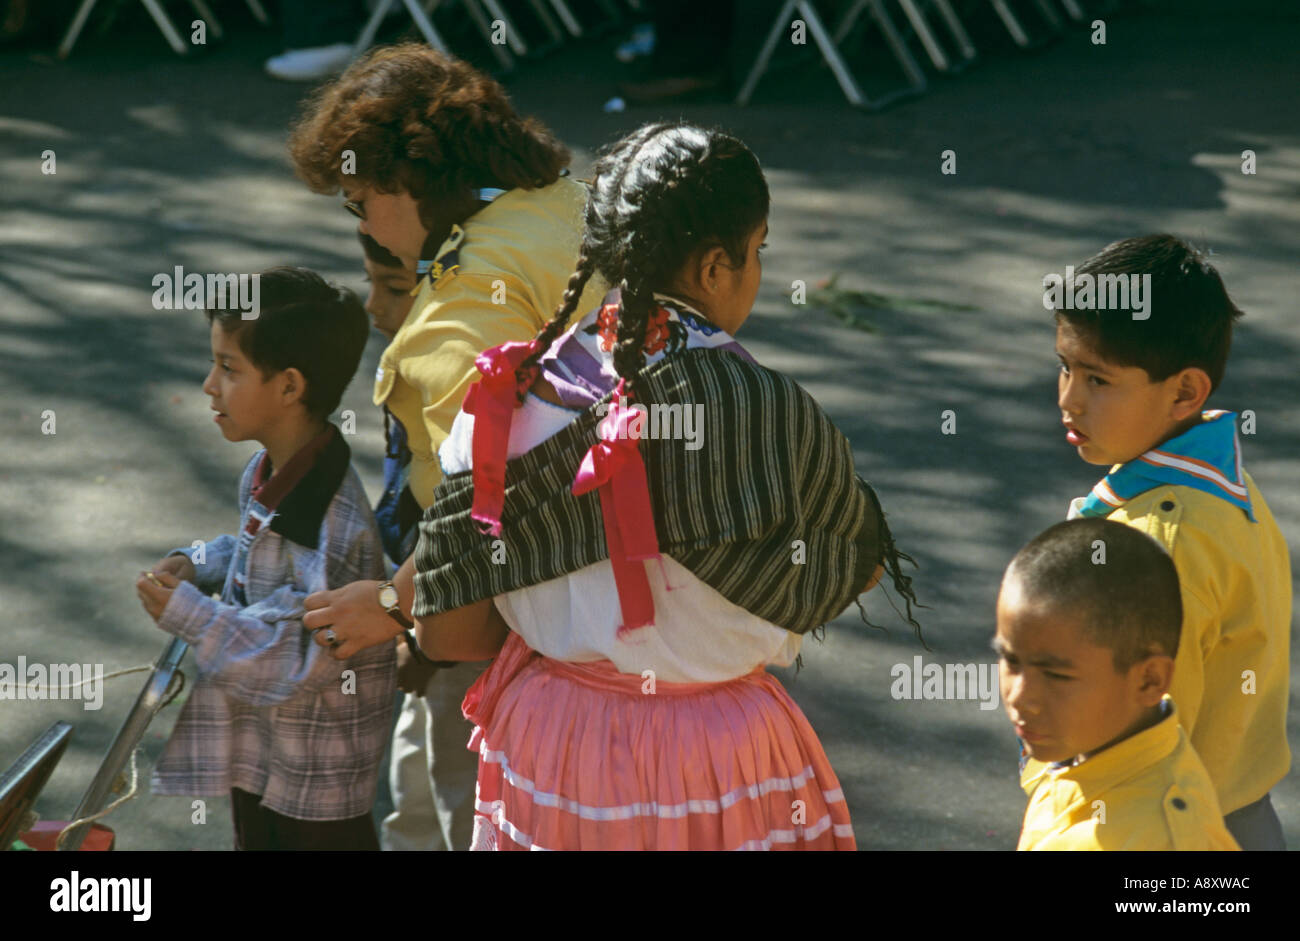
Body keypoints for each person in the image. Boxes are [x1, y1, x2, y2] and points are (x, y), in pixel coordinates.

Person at [377, 121, 920, 850]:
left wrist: (563, 600)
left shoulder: (505, 399)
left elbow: (446, 629)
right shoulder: (764, 410)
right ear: (714, 268)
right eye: (756, 253)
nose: (755, 272)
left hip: (554, 747)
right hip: (722, 751)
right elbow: (855, 559)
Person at [290, 44, 608, 849]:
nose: (361, 225)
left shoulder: (459, 306)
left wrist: (394, 605)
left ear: (410, 181)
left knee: (486, 817)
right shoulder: (572, 204)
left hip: (526, 633)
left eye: (359, 200)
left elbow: (481, 516)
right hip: (639, 592)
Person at [135, 267, 394, 851]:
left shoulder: (331, 518)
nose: (209, 385)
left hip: (315, 780)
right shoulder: (269, 470)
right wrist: (196, 562)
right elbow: (251, 552)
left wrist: (193, 616)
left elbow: (300, 656)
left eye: (229, 369)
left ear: (289, 387)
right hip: (263, 751)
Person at [1046, 234, 1291, 849]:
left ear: (1185, 392)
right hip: (1240, 816)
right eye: (1065, 366)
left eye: (1098, 380)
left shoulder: (1160, 544)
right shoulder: (1226, 485)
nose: (1069, 399)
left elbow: (1141, 747)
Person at [997, 518, 1239, 851]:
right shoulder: (1090, 748)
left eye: (1057, 675)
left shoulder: (1163, 841)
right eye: (1011, 661)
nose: (1021, 699)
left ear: (1149, 680)